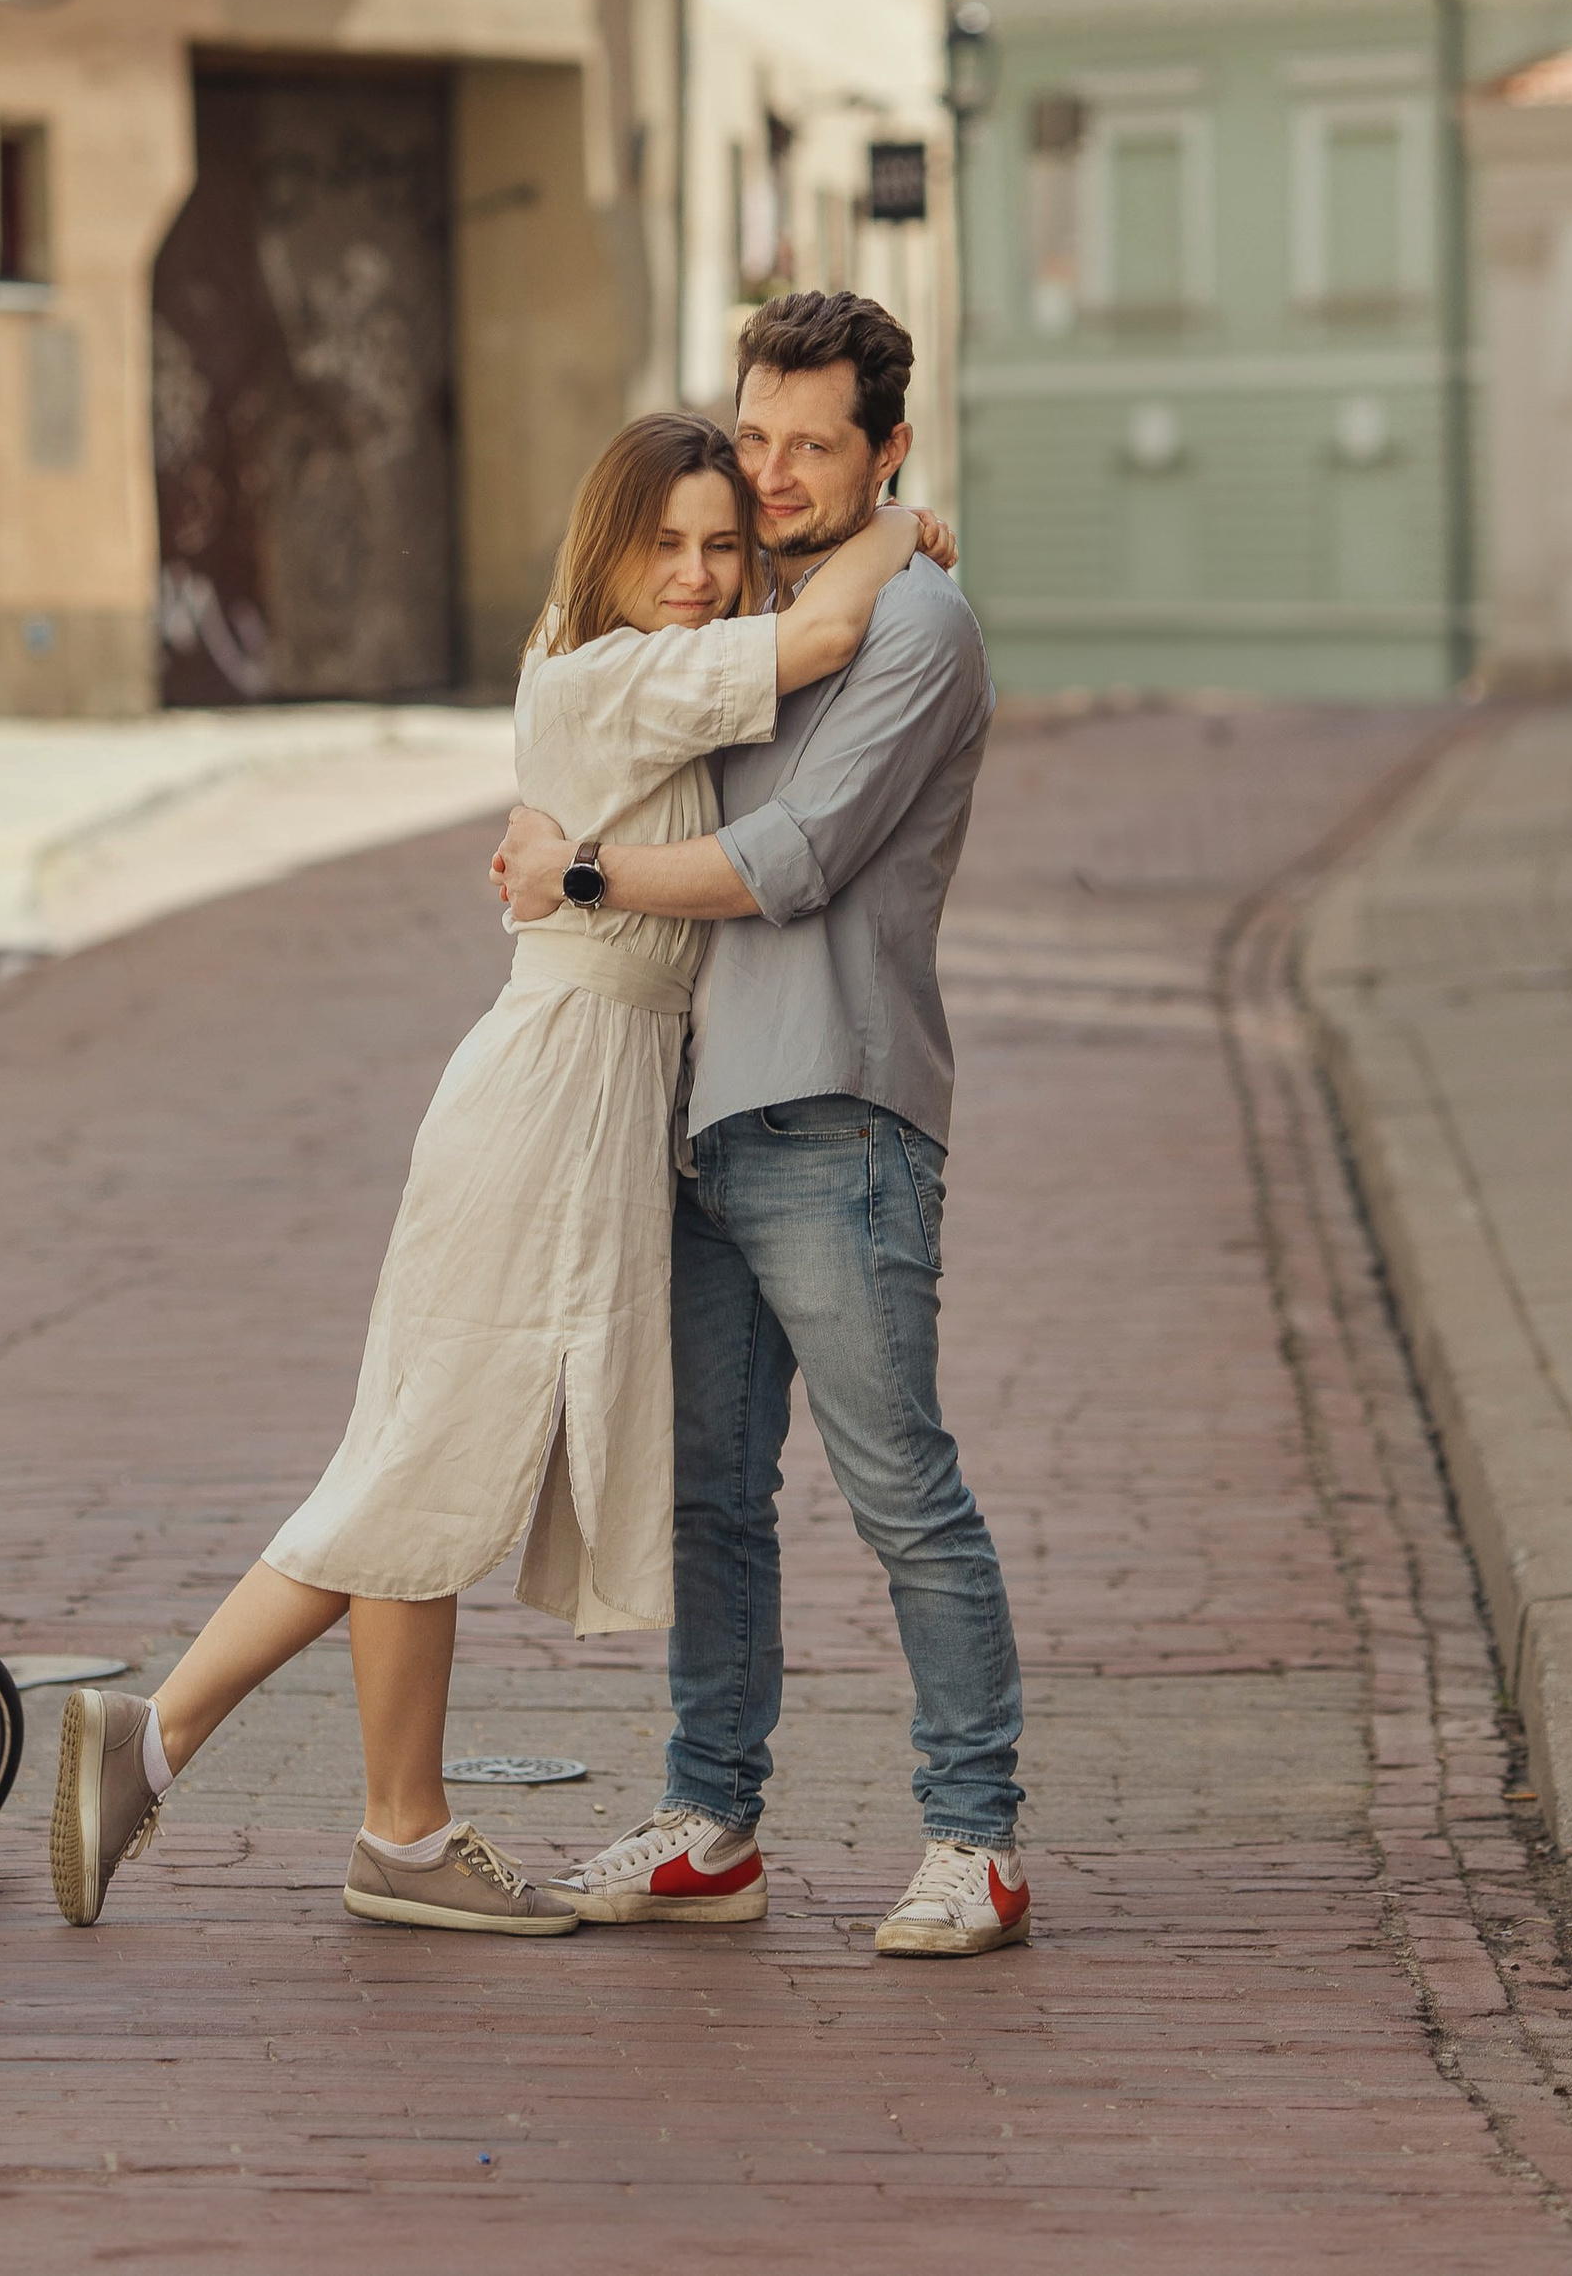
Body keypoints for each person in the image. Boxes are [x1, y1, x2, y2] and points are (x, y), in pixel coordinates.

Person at [49, 411, 933, 1940]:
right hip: (547, 1098)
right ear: (606, 546)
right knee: (418, 1462)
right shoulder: (607, 678)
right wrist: (899, 524)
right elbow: (832, 628)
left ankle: (398, 1828)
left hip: (578, 1090)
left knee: (432, 1457)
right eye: (666, 542)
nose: (703, 573)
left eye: (724, 544)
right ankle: (171, 1734)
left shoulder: (629, 682)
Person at [499, 289, 1028, 1960]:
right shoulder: (740, 598)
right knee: (712, 1497)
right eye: (759, 438)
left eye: (817, 445)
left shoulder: (921, 626)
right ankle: (710, 1817)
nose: (779, 472)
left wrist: (575, 872)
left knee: (901, 1490)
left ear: (890, 451)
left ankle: (977, 1837)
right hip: (696, 1121)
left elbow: (792, 858)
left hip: (837, 1113)